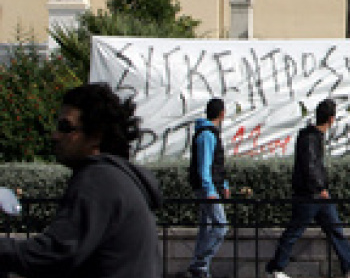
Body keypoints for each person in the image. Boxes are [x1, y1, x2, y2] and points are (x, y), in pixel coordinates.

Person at [0, 83, 163, 277]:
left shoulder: (98, 180)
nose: (55, 136)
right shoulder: (118, 178)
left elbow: (55, 252)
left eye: (65, 127)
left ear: (95, 136)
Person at [266, 99, 350, 278]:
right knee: (295, 231)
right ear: (331, 119)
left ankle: (349, 267)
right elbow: (310, 166)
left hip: (317, 195)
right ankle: (275, 269)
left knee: (334, 228)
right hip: (310, 195)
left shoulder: (311, 136)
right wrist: (320, 187)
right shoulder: (310, 138)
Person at [187, 98, 230, 278]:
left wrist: (224, 185)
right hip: (207, 189)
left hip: (210, 187)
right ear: (222, 113)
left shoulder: (208, 133)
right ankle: (200, 263)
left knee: (207, 226)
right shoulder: (207, 135)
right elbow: (205, 166)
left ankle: (201, 268)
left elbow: (216, 165)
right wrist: (211, 191)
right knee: (221, 225)